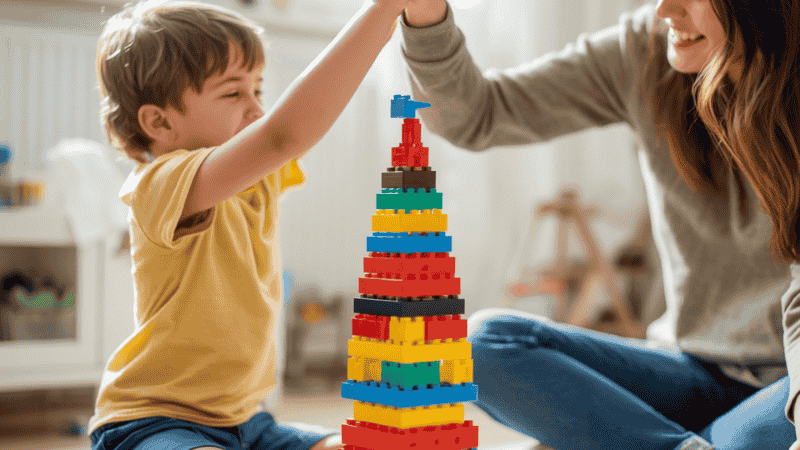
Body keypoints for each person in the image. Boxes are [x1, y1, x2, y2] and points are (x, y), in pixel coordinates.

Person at [400, 0, 800, 449]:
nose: (666, 9)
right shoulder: (643, 50)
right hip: (689, 366)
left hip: (790, 378)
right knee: (477, 347)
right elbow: (472, 114)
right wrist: (425, 12)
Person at [86, 0, 415, 449]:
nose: (256, 109)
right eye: (233, 93)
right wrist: (384, 10)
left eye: (257, 90)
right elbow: (283, 135)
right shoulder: (159, 183)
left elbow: (283, 137)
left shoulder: (257, 180)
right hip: (155, 420)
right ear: (159, 122)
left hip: (248, 422)